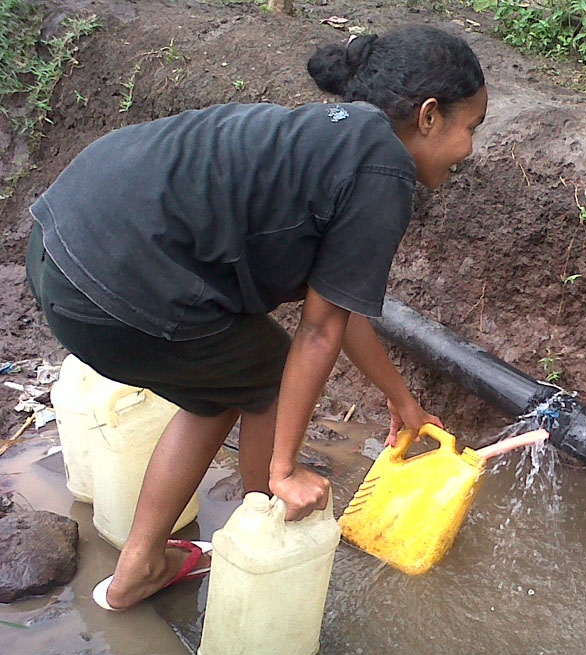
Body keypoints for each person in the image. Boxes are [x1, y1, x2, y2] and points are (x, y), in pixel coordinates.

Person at [25, 25, 488, 610]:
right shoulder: (382, 172)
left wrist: (400, 398)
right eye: (470, 128)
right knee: (264, 376)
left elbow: (339, 312)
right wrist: (285, 467)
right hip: (111, 282)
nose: (469, 149)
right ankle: (263, 527)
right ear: (428, 116)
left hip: (58, 241)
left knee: (222, 381)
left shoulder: (334, 139)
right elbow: (317, 333)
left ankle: (141, 566)